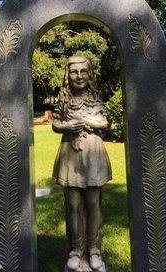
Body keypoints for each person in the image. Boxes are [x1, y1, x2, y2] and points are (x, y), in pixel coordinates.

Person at [52, 55, 112, 271]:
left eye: (83, 71)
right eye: (74, 72)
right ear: (68, 75)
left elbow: (104, 121)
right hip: (70, 153)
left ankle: (94, 249)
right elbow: (55, 123)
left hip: (93, 153)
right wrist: (67, 126)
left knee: (94, 203)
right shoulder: (64, 99)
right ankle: (76, 249)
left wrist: (86, 121)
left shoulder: (95, 98)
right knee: (73, 204)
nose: (79, 76)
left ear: (90, 74)